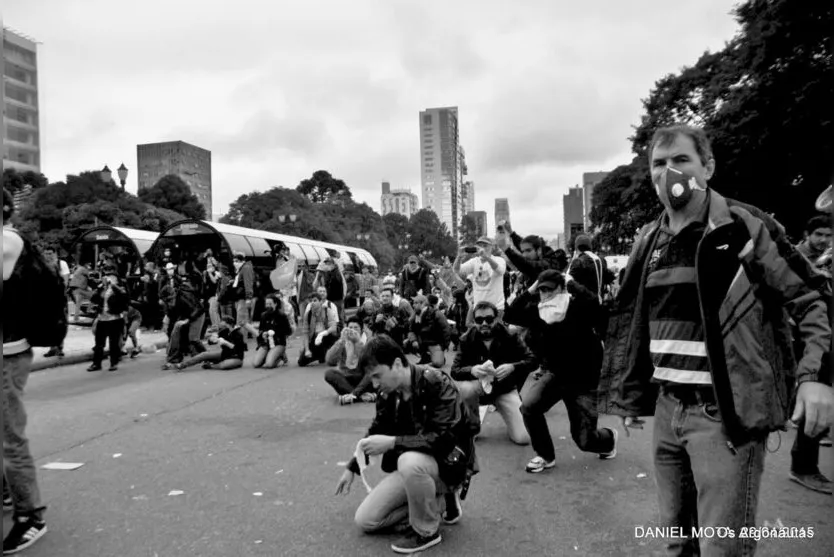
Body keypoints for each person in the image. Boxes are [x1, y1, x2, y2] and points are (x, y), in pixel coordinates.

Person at [598, 125, 833, 556]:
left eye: (681, 160)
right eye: (658, 164)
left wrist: (818, 376)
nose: (668, 173)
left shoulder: (745, 225)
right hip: (668, 413)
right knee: (677, 544)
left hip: (724, 416)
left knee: (721, 549)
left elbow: (812, 297)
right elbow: (635, 320)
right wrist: (633, 393)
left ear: (707, 167)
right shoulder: (649, 240)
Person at [334, 335, 479, 555]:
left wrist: (393, 442)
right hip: (415, 466)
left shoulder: (436, 382)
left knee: (408, 460)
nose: (374, 385)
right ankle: (440, 503)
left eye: (377, 376)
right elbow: (377, 429)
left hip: (449, 464)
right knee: (366, 520)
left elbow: (442, 439)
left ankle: (427, 531)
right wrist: (353, 467)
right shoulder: (387, 392)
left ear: (398, 364)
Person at [505, 269, 616, 472]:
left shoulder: (577, 307)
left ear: (561, 288)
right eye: (542, 290)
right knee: (529, 407)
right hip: (556, 375)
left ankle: (607, 438)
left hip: (584, 379)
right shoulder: (538, 312)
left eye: (549, 289)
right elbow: (510, 313)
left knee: (584, 440)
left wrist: (572, 284)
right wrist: (530, 291)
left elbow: (594, 304)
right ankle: (545, 456)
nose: (545, 294)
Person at [2, 188, 48, 553]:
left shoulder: (7, 241)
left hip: (7, 354)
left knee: (9, 439)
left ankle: (30, 517)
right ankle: (7, 493)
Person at [788, 214, 833, 494]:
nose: (824, 240)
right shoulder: (792, 256)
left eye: (829, 235)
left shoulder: (828, 257)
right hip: (802, 332)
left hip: (823, 330)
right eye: (819, 235)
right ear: (807, 234)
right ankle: (804, 466)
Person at [451, 301, 536, 445]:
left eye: (489, 319)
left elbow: (532, 360)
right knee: (465, 389)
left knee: (523, 438)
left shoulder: (510, 336)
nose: (484, 323)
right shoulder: (466, 339)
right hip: (478, 387)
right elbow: (455, 370)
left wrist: (513, 367)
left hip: (504, 389)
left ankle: (511, 414)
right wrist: (472, 370)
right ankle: (472, 426)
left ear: (496, 319)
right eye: (479, 320)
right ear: (474, 321)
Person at [495, 223, 566, 287]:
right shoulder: (538, 253)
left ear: (539, 250)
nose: (524, 255)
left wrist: (506, 249)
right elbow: (524, 246)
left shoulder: (549, 263)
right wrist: (511, 233)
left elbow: (528, 265)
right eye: (522, 251)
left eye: (528, 251)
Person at [324, 316, 376, 404]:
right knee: (329, 373)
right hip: (347, 380)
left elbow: (372, 364)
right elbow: (329, 360)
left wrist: (358, 342)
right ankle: (360, 396)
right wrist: (341, 341)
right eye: (350, 328)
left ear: (361, 330)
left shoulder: (368, 341)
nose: (353, 330)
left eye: (356, 328)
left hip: (364, 380)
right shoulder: (343, 342)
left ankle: (352, 395)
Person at [454, 237, 507, 321]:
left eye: (485, 245)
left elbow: (500, 271)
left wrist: (487, 258)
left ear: (492, 247)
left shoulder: (499, 260)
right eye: (480, 245)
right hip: (479, 308)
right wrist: (459, 257)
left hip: (496, 306)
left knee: (496, 332)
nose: (482, 248)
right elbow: (457, 271)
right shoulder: (474, 261)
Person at [87, 268, 130, 372]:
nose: (109, 279)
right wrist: (99, 288)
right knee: (99, 343)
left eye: (112, 277)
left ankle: (113, 363)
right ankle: (96, 363)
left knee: (114, 343)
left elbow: (124, 297)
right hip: (102, 319)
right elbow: (93, 299)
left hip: (114, 319)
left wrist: (113, 286)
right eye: (108, 277)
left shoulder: (120, 288)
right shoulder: (102, 289)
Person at [174, 317, 245, 371]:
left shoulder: (238, 334)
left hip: (236, 357)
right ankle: (182, 365)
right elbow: (210, 342)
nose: (220, 323)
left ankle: (211, 366)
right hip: (225, 354)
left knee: (224, 365)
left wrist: (225, 343)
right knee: (204, 354)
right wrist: (212, 339)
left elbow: (238, 349)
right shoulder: (224, 331)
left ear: (228, 324)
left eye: (222, 322)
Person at [298, 286, 340, 366]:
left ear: (320, 302)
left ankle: (325, 354)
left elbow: (334, 327)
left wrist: (322, 334)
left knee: (331, 360)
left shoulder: (328, 310)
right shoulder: (308, 314)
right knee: (301, 362)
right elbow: (305, 333)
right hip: (314, 339)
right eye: (311, 301)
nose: (312, 303)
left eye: (315, 300)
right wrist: (306, 349)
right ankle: (318, 354)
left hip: (327, 338)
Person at [406, 295, 450, 368]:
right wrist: (413, 340)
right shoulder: (415, 315)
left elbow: (446, 330)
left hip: (435, 343)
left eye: (416, 303)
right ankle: (425, 357)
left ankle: (438, 356)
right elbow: (410, 330)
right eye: (413, 303)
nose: (413, 305)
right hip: (423, 342)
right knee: (406, 343)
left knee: (437, 364)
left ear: (423, 304)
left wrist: (444, 346)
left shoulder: (436, 314)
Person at [42, 246, 70, 359]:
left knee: (60, 322)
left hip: (58, 298)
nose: (48, 256)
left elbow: (65, 281)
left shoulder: (61, 264)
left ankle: (60, 347)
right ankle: (52, 347)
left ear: (55, 253)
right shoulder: (42, 265)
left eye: (50, 253)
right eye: (46, 253)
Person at [252, 294, 293, 369]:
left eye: (270, 304)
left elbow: (288, 331)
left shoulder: (282, 316)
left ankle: (280, 356)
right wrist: (263, 334)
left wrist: (274, 332)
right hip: (266, 343)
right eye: (266, 304)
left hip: (278, 343)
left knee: (269, 365)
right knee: (256, 364)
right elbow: (261, 330)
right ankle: (268, 355)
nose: (268, 306)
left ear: (275, 304)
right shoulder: (263, 316)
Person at [568, 234, 604, 302]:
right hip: (599, 302)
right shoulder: (600, 260)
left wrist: (572, 261)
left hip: (582, 305)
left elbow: (569, 283)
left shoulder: (578, 261)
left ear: (577, 248)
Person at [231, 252, 258, 338]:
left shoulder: (245, 268)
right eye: (234, 261)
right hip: (241, 297)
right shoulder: (243, 268)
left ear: (241, 261)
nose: (234, 263)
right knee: (244, 319)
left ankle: (242, 339)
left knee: (241, 320)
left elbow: (248, 283)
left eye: (236, 261)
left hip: (243, 297)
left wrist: (248, 298)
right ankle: (250, 336)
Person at [314, 257, 347, 323]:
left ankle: (338, 331)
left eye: (329, 263)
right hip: (333, 299)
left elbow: (332, 286)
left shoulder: (336, 273)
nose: (327, 265)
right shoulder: (331, 273)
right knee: (333, 317)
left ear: (333, 264)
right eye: (326, 263)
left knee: (337, 318)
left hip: (336, 299)